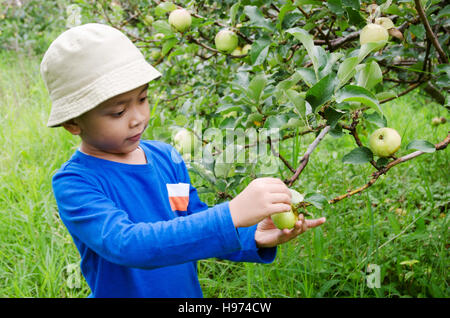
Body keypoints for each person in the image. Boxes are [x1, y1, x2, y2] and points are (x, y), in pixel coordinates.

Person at [41, 23, 326, 298]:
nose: (138, 118)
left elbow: (189, 220)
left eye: (142, 99)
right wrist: (231, 213)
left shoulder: (166, 158)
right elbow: (126, 245)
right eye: (118, 112)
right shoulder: (76, 183)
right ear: (73, 123)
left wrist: (251, 237)